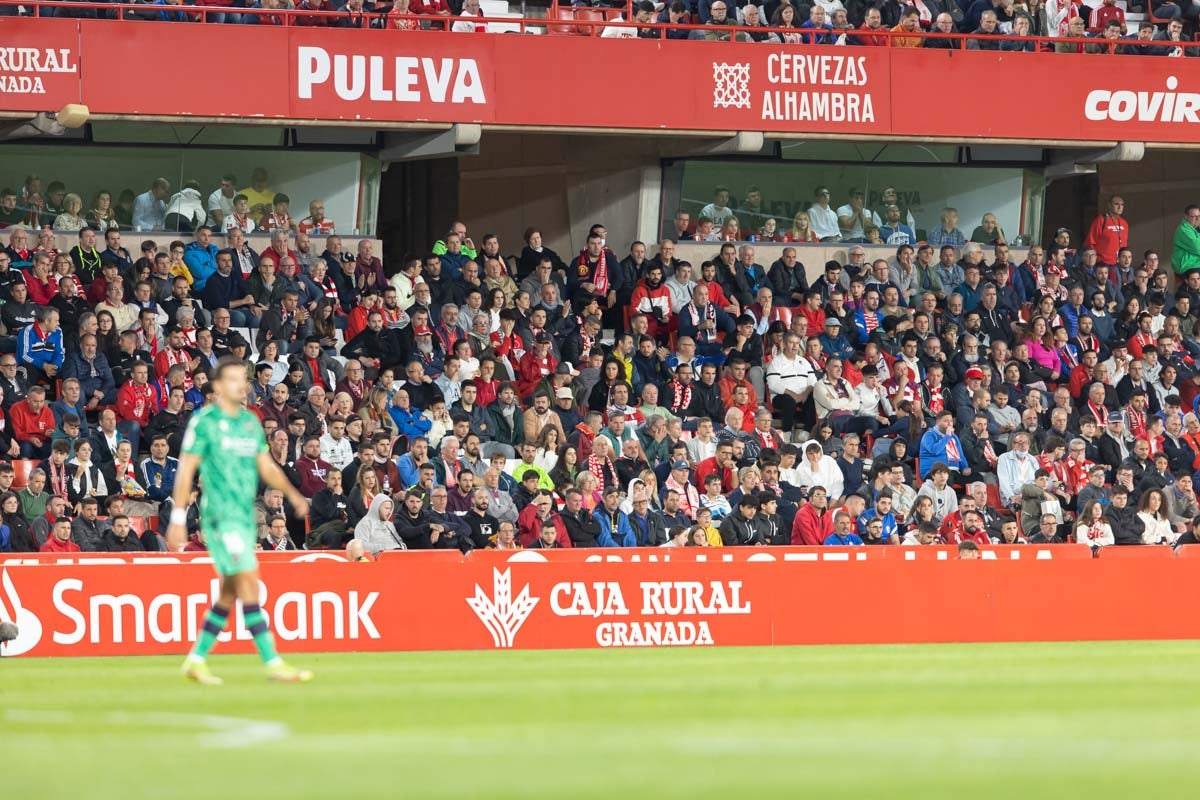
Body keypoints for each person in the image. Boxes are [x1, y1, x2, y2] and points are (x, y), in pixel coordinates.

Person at [168, 356, 313, 685]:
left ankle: (196, 659)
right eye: (233, 378)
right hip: (219, 516)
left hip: (244, 517)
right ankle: (273, 662)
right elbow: (187, 468)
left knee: (230, 591)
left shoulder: (250, 423)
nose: (241, 384)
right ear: (218, 387)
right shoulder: (204, 421)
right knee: (248, 582)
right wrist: (178, 517)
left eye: (243, 378)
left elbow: (265, 466)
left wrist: (292, 494)